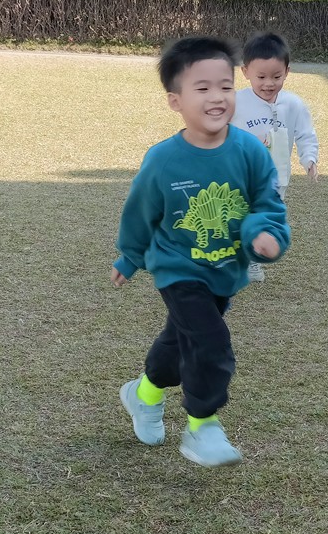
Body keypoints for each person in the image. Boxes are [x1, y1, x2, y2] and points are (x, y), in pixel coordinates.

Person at [111, 36, 290, 468]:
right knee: (210, 342)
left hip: (225, 270)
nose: (217, 97)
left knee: (179, 342)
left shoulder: (250, 151)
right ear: (176, 101)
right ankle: (202, 425)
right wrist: (130, 256)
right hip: (177, 267)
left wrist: (266, 236)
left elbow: (267, 206)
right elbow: (140, 211)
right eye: (203, 88)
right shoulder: (163, 160)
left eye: (225, 86)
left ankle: (143, 394)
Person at [232, 32, 319, 282]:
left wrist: (309, 159)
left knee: (264, 220)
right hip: (241, 175)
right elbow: (218, 130)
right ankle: (235, 257)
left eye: (276, 77)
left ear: (287, 72)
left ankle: (252, 261)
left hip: (276, 178)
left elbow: (305, 134)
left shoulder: (294, 104)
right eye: (261, 77)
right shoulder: (236, 102)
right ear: (246, 72)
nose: (268, 83)